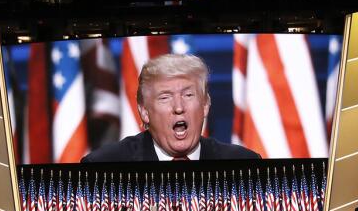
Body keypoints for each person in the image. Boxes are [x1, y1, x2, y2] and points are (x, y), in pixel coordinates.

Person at [81, 53, 260, 162]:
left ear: (205, 105)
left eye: (188, 95)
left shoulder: (244, 163)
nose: (179, 107)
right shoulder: (106, 166)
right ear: (144, 111)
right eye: (165, 97)